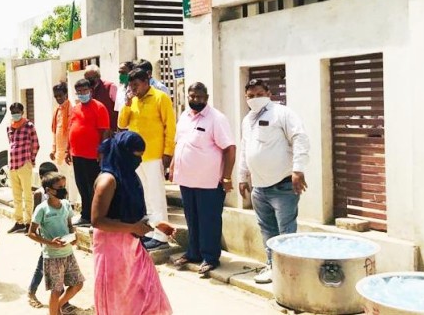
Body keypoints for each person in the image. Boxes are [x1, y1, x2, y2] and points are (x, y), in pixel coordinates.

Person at [91, 131, 174, 315]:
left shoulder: (129, 176)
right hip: (111, 248)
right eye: (135, 156)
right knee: (119, 300)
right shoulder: (108, 180)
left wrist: (155, 224)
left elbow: (133, 212)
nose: (138, 161)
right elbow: (97, 220)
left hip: (132, 245)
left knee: (148, 295)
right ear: (122, 153)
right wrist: (133, 228)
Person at [237, 79, 310, 284]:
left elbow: (300, 138)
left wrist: (298, 169)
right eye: (250, 96)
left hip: (283, 186)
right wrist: (242, 177)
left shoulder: (282, 113)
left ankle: (289, 273)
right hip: (259, 188)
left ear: (269, 93)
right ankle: (272, 266)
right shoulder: (248, 119)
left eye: (259, 94)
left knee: (286, 232)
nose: (255, 99)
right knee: (267, 230)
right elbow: (245, 149)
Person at [171, 82, 236, 274]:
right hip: (186, 179)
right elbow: (180, 143)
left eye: (199, 97)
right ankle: (193, 253)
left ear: (206, 98)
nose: (195, 100)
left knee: (209, 220)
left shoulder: (216, 119)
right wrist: (174, 164)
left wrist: (226, 177)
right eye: (192, 97)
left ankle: (210, 257)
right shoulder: (184, 116)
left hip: (209, 181)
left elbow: (230, 148)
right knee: (192, 219)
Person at [118, 68, 177, 251]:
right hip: (136, 157)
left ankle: (162, 236)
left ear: (146, 82)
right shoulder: (132, 100)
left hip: (154, 155)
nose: (133, 89)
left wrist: (168, 152)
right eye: (130, 85)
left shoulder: (160, 97)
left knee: (156, 196)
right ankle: (150, 231)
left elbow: (170, 126)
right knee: (144, 196)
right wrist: (126, 104)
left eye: (136, 85)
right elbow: (121, 124)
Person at [28, 172, 84, 315]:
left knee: (78, 284)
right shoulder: (42, 209)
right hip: (52, 256)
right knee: (56, 290)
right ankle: (54, 311)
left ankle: (56, 307)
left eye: (64, 186)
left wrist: (74, 236)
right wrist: (49, 243)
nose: (63, 190)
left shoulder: (66, 204)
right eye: (59, 187)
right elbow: (31, 233)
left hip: (68, 253)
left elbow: (69, 224)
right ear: (48, 190)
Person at [67, 79, 111, 226]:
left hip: (93, 155)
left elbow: (105, 131)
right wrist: (69, 149)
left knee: (93, 187)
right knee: (81, 185)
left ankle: (96, 216)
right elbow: (71, 128)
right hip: (77, 154)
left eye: (84, 91)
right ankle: (85, 215)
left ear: (90, 91)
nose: (82, 94)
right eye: (79, 92)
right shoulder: (75, 108)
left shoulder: (99, 107)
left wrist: (102, 151)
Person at [27, 162, 59, 309]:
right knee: (44, 264)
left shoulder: (59, 191)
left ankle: (62, 299)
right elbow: (36, 218)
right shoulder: (40, 194)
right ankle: (32, 292)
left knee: (61, 264)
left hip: (60, 234)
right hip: (46, 236)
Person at [6, 102, 40, 234]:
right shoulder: (9, 127)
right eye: (13, 112)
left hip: (24, 163)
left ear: (22, 112)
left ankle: (28, 222)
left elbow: (35, 144)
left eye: (17, 112)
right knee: (16, 196)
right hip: (12, 164)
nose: (15, 114)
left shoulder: (29, 126)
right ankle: (19, 221)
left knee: (27, 195)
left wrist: (31, 160)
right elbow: (10, 143)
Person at [49, 83, 80, 206]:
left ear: (66, 94)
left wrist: (69, 150)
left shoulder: (71, 109)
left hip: (69, 151)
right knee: (61, 178)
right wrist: (53, 149)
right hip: (59, 152)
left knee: (71, 177)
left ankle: (71, 202)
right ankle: (64, 201)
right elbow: (55, 131)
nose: (58, 98)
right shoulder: (57, 110)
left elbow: (72, 131)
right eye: (56, 96)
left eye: (60, 95)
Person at [84, 64, 118, 132]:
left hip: (110, 130)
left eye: (90, 78)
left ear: (98, 77)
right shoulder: (86, 90)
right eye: (86, 78)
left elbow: (118, 109)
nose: (88, 81)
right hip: (94, 130)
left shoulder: (110, 87)